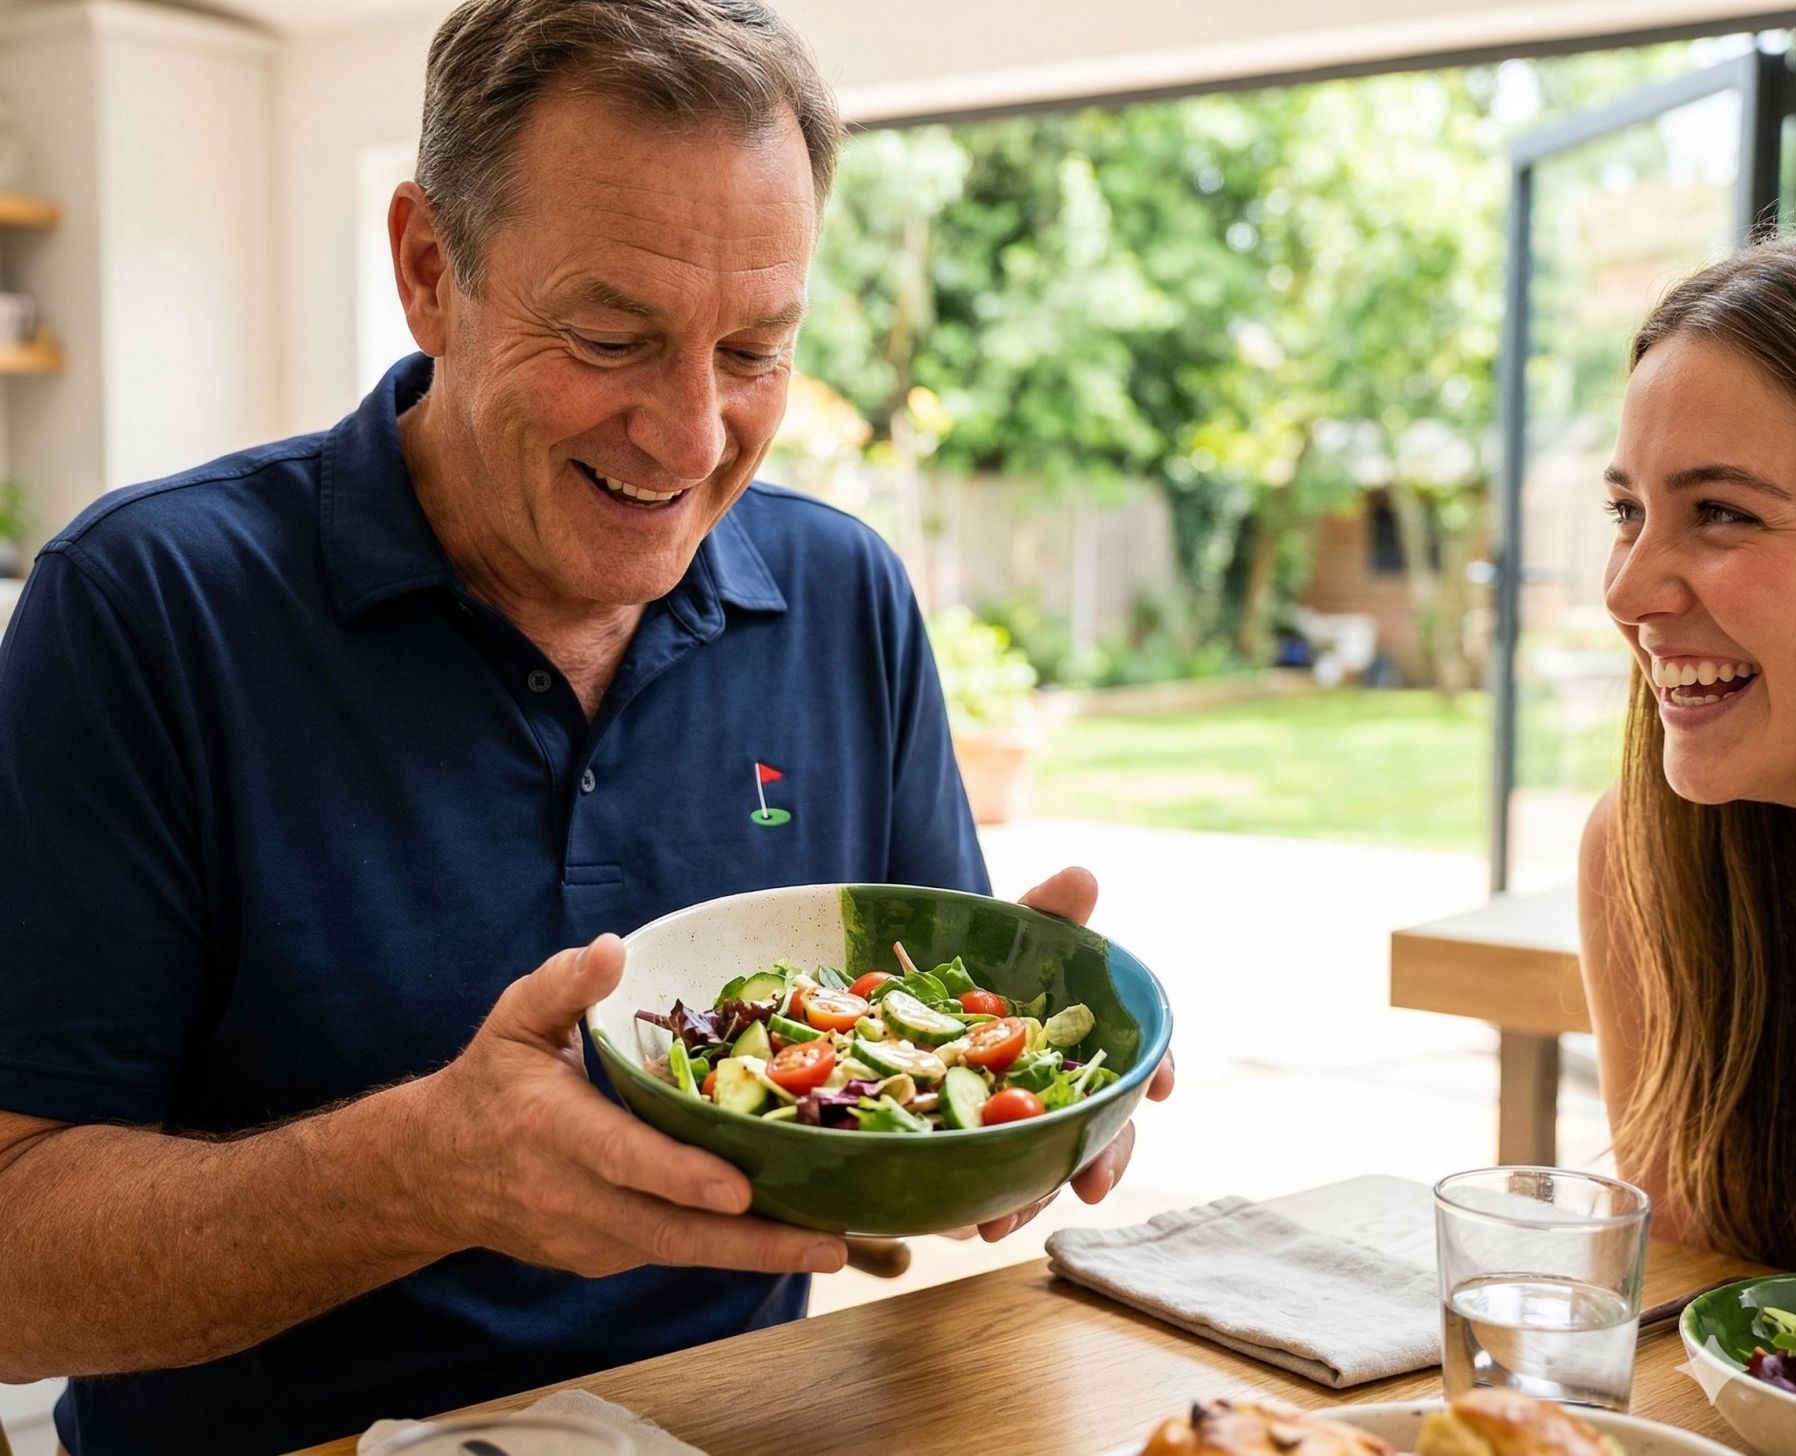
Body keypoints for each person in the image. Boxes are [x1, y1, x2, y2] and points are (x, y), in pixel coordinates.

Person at [0, 2, 1172, 1451]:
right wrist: (428, 1169)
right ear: (432, 271)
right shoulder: (145, 608)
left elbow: (876, 1145)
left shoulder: (842, 593)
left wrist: (1008, 1114)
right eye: (613, 336)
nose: (690, 438)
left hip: (733, 1427)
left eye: (754, 348)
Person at [1578, 237, 1796, 1265]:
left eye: (1721, 513)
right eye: (1628, 511)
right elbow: (1692, 1300)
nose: (1627, 590)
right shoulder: (1642, 853)